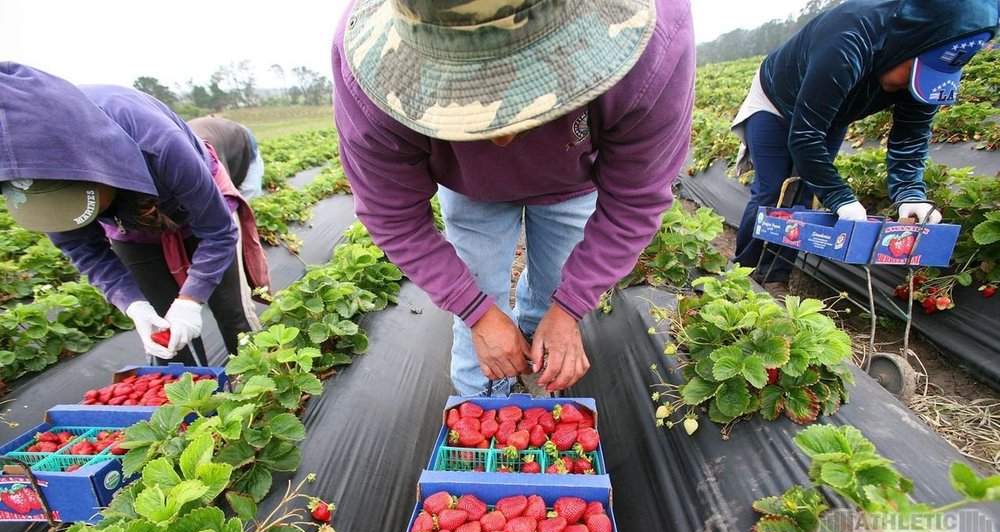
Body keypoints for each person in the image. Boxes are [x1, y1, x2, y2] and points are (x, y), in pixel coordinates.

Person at [333, 0, 695, 396]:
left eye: (526, 93)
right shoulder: (370, 79)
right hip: (470, 188)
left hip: (570, 179)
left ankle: (541, 387)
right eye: (466, 100)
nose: (502, 137)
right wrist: (476, 312)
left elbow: (635, 200)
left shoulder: (651, 44)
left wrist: (569, 307)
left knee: (553, 296)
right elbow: (394, 217)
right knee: (477, 313)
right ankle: (481, 404)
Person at [0, 62, 267, 365]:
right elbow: (81, 247)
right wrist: (132, 304)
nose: (61, 210)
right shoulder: (31, 170)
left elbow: (218, 233)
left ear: (99, 168)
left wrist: (191, 300)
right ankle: (190, 389)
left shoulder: (159, 142)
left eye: (72, 198)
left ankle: (255, 378)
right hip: (128, 228)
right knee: (163, 326)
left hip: (191, 206)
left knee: (231, 311)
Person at [730, 0, 999, 297]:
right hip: (776, 100)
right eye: (914, 72)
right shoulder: (848, 41)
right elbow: (806, 135)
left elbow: (910, 139)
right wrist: (840, 197)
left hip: (834, 111)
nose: (913, 86)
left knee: (805, 194)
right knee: (772, 190)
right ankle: (742, 273)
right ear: (908, 44)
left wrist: (910, 193)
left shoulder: (925, 72)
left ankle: (775, 277)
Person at [187, 116, 267, 200]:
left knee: (248, 195)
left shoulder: (211, 157)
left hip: (241, 138)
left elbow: (225, 192)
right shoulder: (182, 157)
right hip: (217, 134)